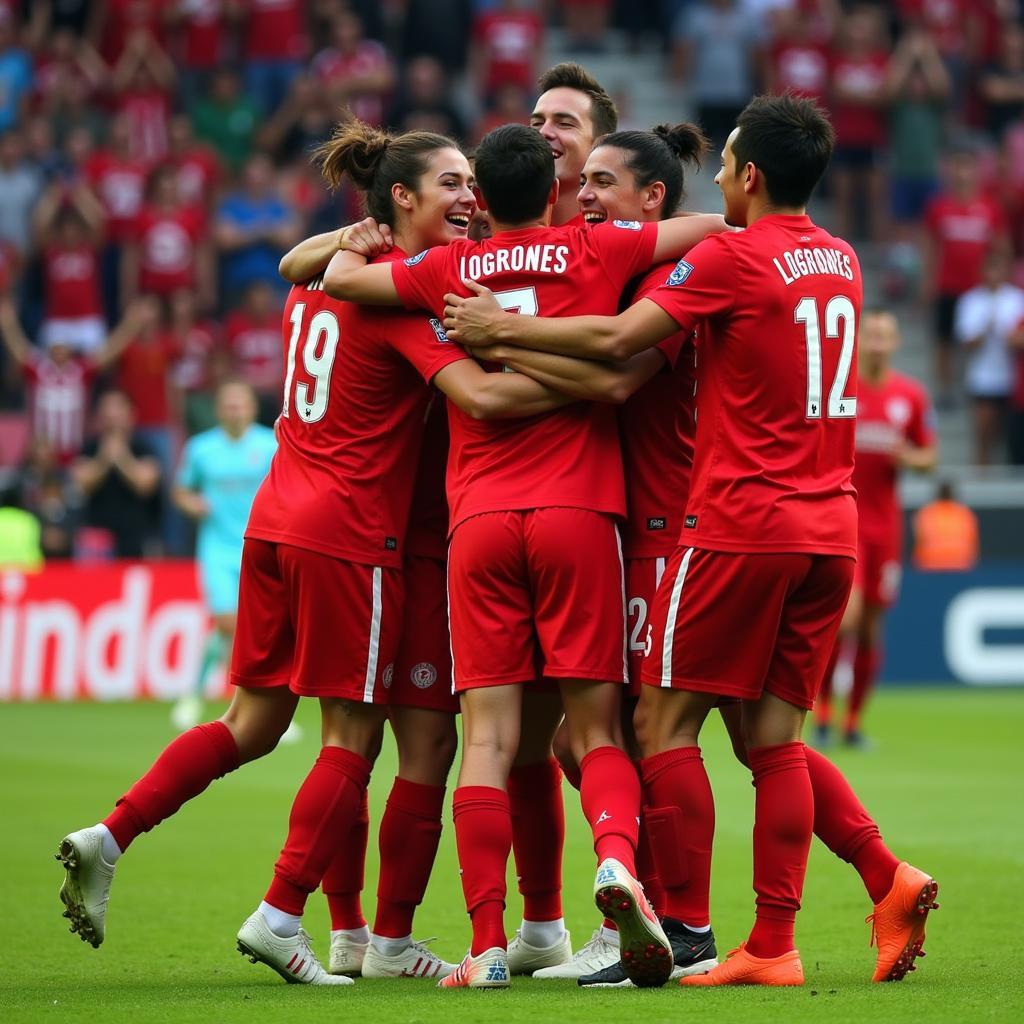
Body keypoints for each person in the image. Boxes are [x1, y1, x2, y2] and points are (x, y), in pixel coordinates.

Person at [54, 125, 571, 986]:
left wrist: (338, 239)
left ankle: (112, 837)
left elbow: (306, 262)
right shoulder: (397, 302)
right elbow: (477, 391)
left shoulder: (319, 285)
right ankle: (281, 913)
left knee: (252, 723)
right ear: (400, 199)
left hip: (275, 520)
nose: (468, 199)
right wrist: (597, 366)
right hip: (352, 536)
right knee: (356, 742)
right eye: (449, 183)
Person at [443, 94, 939, 988]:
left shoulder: (715, 261)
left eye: (596, 173)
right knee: (759, 738)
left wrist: (496, 335)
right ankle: (844, 894)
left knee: (647, 728)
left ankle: (681, 924)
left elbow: (619, 368)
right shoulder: (840, 254)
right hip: (823, 521)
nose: (579, 187)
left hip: (701, 529)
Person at [323, 122, 726, 989]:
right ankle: (618, 864)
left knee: (490, 742)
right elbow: (714, 230)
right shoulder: (598, 245)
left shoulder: (442, 272)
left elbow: (338, 278)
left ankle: (486, 945)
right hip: (583, 513)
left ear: (478, 202)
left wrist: (364, 240)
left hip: (478, 522)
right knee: (597, 728)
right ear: (553, 189)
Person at [815, 310, 937, 749]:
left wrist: (910, 458)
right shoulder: (838, 388)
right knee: (842, 621)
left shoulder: (911, 396)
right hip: (844, 520)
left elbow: (930, 457)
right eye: (872, 334)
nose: (878, 343)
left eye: (886, 335)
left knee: (869, 628)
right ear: (859, 338)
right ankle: (823, 713)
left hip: (885, 527)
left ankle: (851, 724)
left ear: (897, 341)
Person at [170, 380, 278, 732]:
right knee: (226, 623)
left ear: (251, 408)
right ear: (219, 410)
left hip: (260, 545)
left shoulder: (270, 443)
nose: (235, 410)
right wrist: (193, 504)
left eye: (240, 403)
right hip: (217, 549)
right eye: (228, 404)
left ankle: (265, 704)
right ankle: (196, 693)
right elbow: (182, 490)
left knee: (262, 628)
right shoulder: (201, 449)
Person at [70, 389, 162, 559]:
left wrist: (122, 458)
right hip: (97, 538)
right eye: (107, 409)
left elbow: (145, 485)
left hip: (136, 536)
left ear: (132, 414)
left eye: (118, 408)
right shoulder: (89, 448)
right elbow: (82, 485)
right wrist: (104, 458)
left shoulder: (144, 448)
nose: (112, 414)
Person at [954, 246, 1023, 465]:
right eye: (990, 269)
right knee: (984, 432)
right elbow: (965, 342)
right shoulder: (971, 300)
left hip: (1012, 377)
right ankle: (981, 475)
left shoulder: (1017, 299)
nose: (994, 275)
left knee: (1011, 435)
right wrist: (986, 328)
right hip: (982, 376)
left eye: (998, 269)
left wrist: (1010, 338)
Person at [912, 480, 980, 570]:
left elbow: (919, 541)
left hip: (931, 565)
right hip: (960, 565)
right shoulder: (965, 513)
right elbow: (974, 543)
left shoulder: (926, 513)